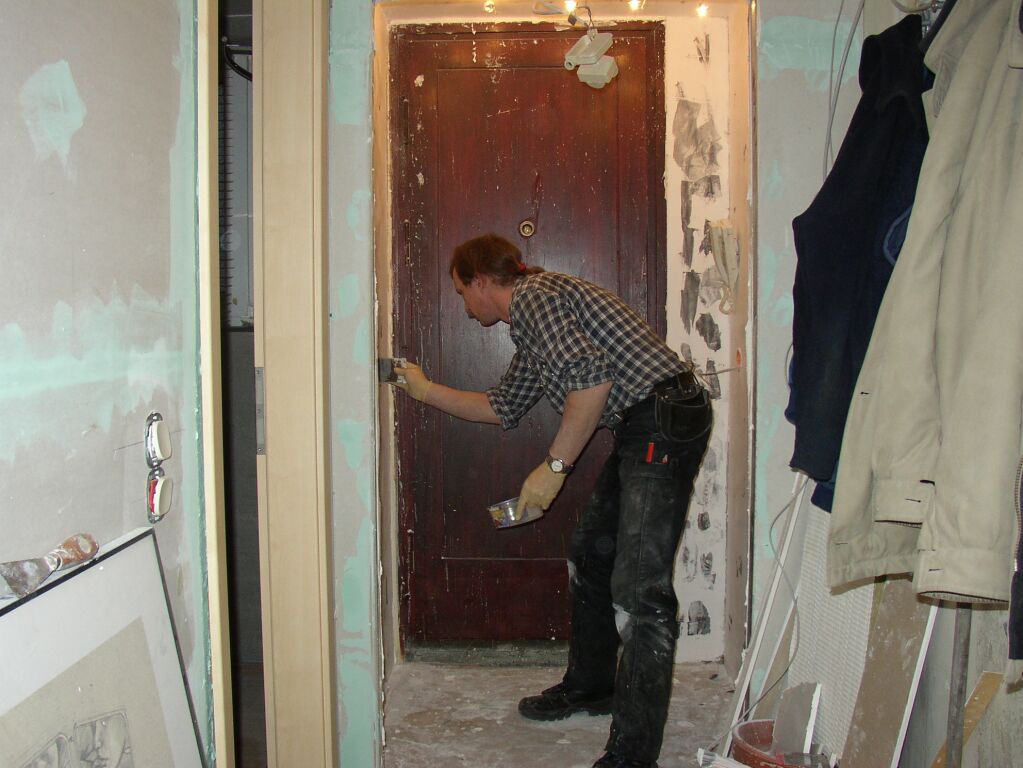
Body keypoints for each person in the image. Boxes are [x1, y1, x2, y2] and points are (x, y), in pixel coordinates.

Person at [391, 233, 711, 768]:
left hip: (663, 416)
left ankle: (633, 755)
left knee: (641, 589)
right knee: (591, 555)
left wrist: (554, 469)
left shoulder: (536, 297)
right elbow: (501, 406)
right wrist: (423, 390)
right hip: (645, 422)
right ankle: (592, 687)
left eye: (462, 293)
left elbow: (591, 379)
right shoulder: (532, 326)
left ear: (481, 281)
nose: (464, 308)